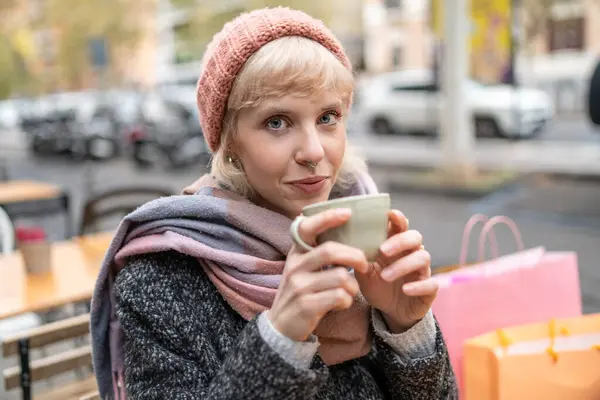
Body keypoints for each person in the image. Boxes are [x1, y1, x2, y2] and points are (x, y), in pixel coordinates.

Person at [90, 7, 457, 399]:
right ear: (229, 143)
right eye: (277, 122)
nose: (313, 151)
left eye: (328, 117)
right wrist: (280, 337)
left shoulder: (362, 232)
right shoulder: (160, 279)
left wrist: (408, 331)